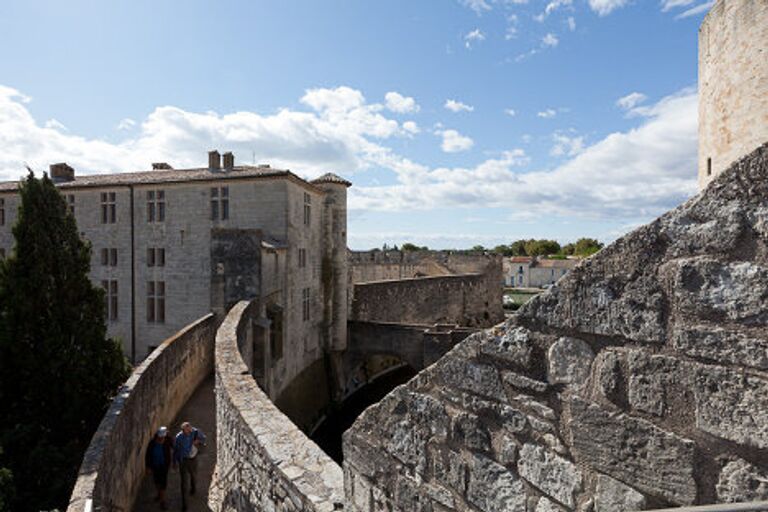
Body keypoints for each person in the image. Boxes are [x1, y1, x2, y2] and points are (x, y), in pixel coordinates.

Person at [173, 421, 206, 511]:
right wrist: (174, 462)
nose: (189, 431)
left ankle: (193, 488)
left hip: (193, 459)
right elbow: (176, 450)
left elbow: (203, 439)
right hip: (183, 460)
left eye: (190, 429)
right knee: (184, 482)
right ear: (183, 430)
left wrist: (198, 441)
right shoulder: (179, 437)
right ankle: (185, 504)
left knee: (193, 476)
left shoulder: (195, 432)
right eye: (187, 430)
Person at [145, 426, 173, 510]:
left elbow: (174, 445)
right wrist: (148, 467)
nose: (162, 439)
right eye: (161, 437)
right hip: (155, 466)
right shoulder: (152, 443)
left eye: (163, 437)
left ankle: (162, 501)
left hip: (164, 466)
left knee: (163, 483)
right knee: (157, 482)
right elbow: (148, 456)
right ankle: (159, 494)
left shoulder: (167, 440)